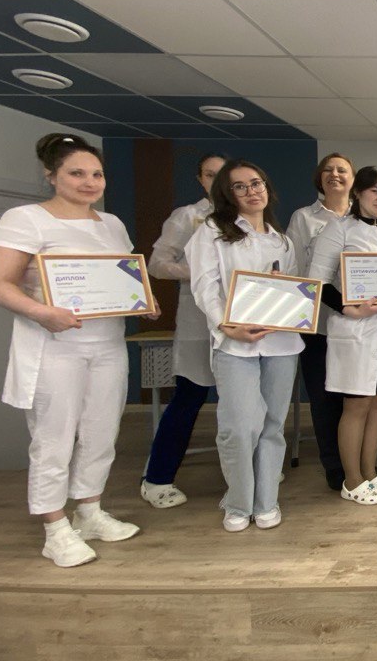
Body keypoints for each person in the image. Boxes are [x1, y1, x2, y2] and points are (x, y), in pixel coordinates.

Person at [0, 133, 152, 567]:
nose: (89, 182)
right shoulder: (26, 219)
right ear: (51, 175)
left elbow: (121, 278)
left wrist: (141, 301)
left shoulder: (111, 224)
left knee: (101, 432)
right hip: (54, 345)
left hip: (108, 344)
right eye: (77, 173)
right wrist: (42, 312)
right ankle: (55, 529)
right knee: (53, 438)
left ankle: (89, 512)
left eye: (96, 174)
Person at [186, 159, 302, 532]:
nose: (252, 191)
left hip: (280, 344)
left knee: (272, 426)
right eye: (240, 186)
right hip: (234, 344)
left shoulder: (281, 240)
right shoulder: (212, 232)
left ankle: (266, 500)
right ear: (227, 193)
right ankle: (238, 502)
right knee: (238, 427)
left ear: (267, 187)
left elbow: (293, 289)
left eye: (256, 183)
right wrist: (227, 324)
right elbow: (204, 286)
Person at [308, 166, 377, 506]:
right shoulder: (338, 229)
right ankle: (352, 480)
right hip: (357, 330)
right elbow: (318, 281)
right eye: (374, 191)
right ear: (358, 193)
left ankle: (370, 471)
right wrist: (349, 309)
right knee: (356, 405)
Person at [140, 151, 227, 508]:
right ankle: (157, 478)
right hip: (198, 323)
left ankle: (250, 470)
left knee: (243, 403)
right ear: (200, 180)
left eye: (224, 174)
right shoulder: (187, 217)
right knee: (189, 399)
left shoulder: (249, 218)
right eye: (210, 174)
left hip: (241, 324)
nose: (217, 181)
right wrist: (202, 272)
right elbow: (157, 264)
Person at [286, 153, 352, 491]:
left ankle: (354, 460)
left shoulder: (363, 217)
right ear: (319, 178)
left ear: (353, 179)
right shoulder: (303, 218)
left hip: (358, 326)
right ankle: (334, 465)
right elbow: (296, 271)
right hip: (320, 324)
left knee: (354, 397)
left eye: (342, 170)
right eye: (328, 170)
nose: (335, 175)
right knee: (325, 398)